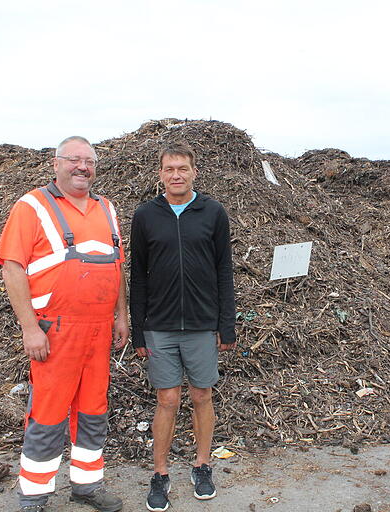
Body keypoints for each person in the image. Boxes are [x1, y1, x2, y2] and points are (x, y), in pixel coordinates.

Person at [0, 136, 129, 512]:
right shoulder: (32, 206)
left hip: (99, 331)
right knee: (48, 415)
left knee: (93, 412)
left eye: (88, 161)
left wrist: (122, 315)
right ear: (56, 164)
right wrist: (29, 328)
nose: (82, 167)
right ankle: (34, 495)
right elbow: (12, 267)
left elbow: (117, 266)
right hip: (56, 332)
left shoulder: (106, 208)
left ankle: (87, 486)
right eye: (73, 160)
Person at [130, 143, 236, 512]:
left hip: (202, 324)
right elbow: (138, 276)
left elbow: (224, 270)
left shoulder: (213, 212)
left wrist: (227, 324)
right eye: (169, 169)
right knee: (167, 399)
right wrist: (138, 329)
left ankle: (202, 465)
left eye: (183, 168)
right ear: (160, 173)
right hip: (159, 325)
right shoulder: (146, 215)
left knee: (201, 396)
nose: (176, 174)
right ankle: (160, 474)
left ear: (194, 171)